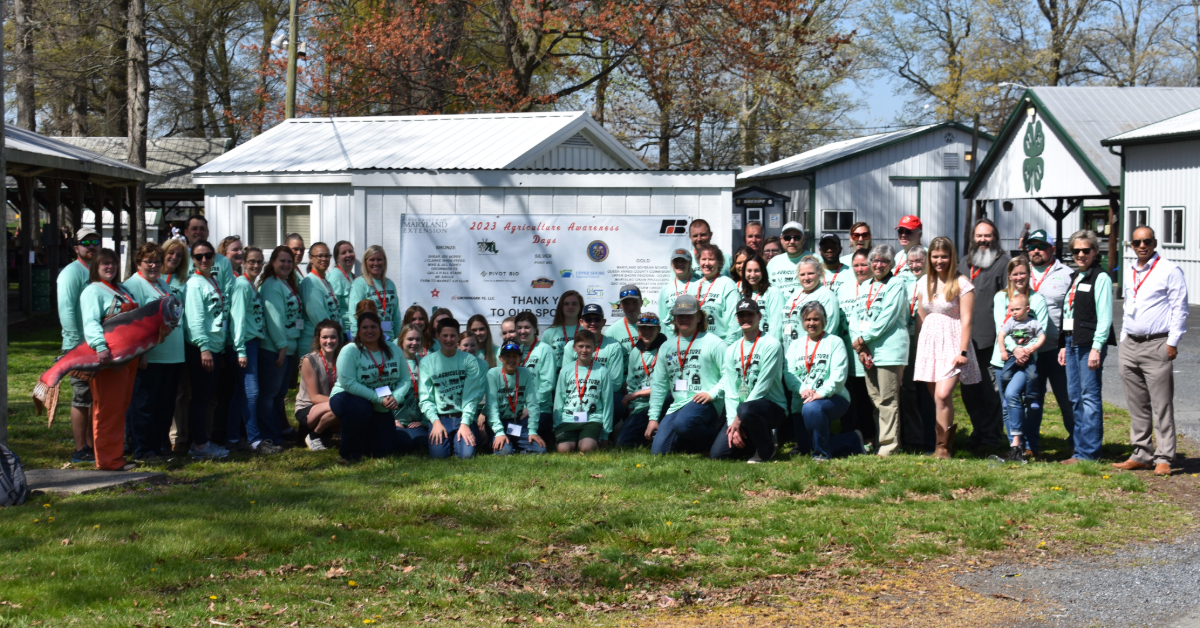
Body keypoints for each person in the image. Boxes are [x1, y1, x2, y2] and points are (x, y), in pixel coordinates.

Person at [1115, 226, 1188, 476]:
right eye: (1137, 242)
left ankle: (1164, 456)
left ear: (1154, 242)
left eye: (1146, 241)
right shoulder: (1129, 271)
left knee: (1161, 404)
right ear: (1131, 245)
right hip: (1130, 343)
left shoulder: (1169, 270)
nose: (1142, 246)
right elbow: (1128, 305)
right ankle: (1141, 453)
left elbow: (1179, 307)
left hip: (1157, 343)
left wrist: (1172, 342)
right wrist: (1124, 338)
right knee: (1136, 404)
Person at [915, 237, 981, 459]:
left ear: (952, 257)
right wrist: (918, 347)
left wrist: (963, 351)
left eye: (944, 256)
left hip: (953, 342)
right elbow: (921, 314)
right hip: (930, 344)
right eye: (935, 256)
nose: (939, 260)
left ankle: (944, 448)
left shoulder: (962, 283)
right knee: (936, 398)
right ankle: (939, 445)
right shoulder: (924, 282)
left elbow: (967, 319)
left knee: (943, 395)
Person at [79, 248, 141, 471]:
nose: (110, 267)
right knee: (108, 408)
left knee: (120, 406)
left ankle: (115, 455)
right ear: (95, 266)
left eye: (113, 263)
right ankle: (108, 461)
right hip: (110, 359)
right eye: (104, 263)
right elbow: (91, 322)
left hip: (129, 357)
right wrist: (100, 346)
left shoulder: (122, 289)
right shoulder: (92, 291)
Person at [123, 243, 184, 462]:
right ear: (138, 263)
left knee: (164, 405)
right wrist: (140, 353)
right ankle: (143, 449)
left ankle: (160, 446)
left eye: (157, 261)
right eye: (148, 261)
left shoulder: (162, 284)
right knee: (144, 404)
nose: (153, 265)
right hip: (150, 356)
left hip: (171, 355)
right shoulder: (133, 285)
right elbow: (132, 323)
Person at [1058, 229, 1114, 464]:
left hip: (1089, 344)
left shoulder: (1100, 278)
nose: (1080, 254)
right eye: (1076, 250)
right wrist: (1063, 344)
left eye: (1085, 250)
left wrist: (1097, 347)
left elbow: (1105, 317)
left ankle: (1089, 453)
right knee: (1075, 398)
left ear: (1095, 251)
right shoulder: (1076, 277)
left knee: (1089, 398)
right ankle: (1079, 451)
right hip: (1071, 342)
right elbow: (1068, 312)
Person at [647, 295, 726, 455]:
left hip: (706, 401)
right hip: (678, 404)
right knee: (658, 452)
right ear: (674, 318)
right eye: (680, 315)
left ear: (699, 317)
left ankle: (715, 436)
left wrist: (712, 394)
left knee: (683, 424)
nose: (684, 319)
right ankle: (689, 442)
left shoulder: (715, 343)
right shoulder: (666, 347)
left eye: (689, 315)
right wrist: (653, 418)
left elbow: (730, 376)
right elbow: (659, 385)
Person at [851, 245, 910, 456]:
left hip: (889, 350)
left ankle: (889, 446)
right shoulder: (864, 286)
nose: (878, 264)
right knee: (875, 399)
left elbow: (887, 317)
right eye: (875, 260)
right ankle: (881, 441)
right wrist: (859, 344)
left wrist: (862, 339)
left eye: (884, 261)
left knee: (888, 399)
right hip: (867, 351)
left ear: (891, 264)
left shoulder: (896, 284)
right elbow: (854, 317)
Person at [787, 301, 865, 460]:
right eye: (808, 319)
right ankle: (853, 439)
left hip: (833, 397)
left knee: (812, 408)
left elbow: (839, 374)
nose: (812, 323)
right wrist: (802, 389)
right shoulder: (795, 345)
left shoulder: (834, 342)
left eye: (816, 319)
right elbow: (789, 373)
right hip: (801, 401)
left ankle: (821, 455)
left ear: (824, 321)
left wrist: (820, 393)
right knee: (806, 447)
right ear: (802, 322)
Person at [989, 257, 1049, 460]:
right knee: (1007, 404)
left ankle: (1027, 445)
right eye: (1015, 274)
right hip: (1003, 359)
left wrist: (1025, 352)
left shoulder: (1037, 300)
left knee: (1016, 396)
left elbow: (1042, 330)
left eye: (1022, 273)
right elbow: (1000, 327)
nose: (1019, 277)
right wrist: (1014, 349)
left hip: (1027, 360)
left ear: (1029, 274)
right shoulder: (1001, 297)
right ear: (1009, 276)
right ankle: (1014, 448)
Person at [710, 299, 785, 462]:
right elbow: (731, 389)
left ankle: (766, 451)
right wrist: (732, 424)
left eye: (750, 314)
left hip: (770, 407)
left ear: (759, 316)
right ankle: (756, 440)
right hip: (742, 411)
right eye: (741, 315)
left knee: (746, 409)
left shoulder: (772, 345)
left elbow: (763, 387)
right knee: (718, 454)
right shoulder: (732, 350)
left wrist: (738, 419)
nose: (745, 318)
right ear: (737, 319)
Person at [958, 219, 1010, 449]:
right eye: (979, 236)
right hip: (965, 342)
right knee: (970, 392)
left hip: (990, 342)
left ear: (995, 237)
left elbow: (1010, 303)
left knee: (990, 393)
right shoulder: (964, 263)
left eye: (987, 236)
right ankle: (978, 432)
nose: (983, 240)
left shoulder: (1004, 264)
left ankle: (991, 438)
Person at [1024, 230, 1074, 455]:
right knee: (1032, 400)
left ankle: (1077, 443)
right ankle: (1030, 445)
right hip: (1028, 351)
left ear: (1052, 249)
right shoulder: (1020, 271)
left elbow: (1071, 311)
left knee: (1067, 399)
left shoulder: (1067, 274)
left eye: (1041, 246)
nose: (1036, 250)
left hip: (1056, 349)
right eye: (1032, 246)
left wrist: (1067, 342)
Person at [226, 241, 276, 454]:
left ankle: (233, 438)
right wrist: (240, 349)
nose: (256, 265)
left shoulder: (251, 285)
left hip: (253, 343)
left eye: (259, 262)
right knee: (251, 393)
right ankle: (254, 440)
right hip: (245, 344)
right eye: (252, 262)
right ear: (244, 263)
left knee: (241, 394)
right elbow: (237, 318)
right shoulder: (242, 285)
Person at [329, 311, 401, 462]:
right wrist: (378, 399)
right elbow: (349, 384)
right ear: (358, 330)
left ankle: (365, 446)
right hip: (347, 396)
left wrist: (396, 397)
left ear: (380, 328)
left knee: (385, 451)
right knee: (361, 408)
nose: (369, 331)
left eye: (373, 326)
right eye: (365, 327)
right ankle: (349, 453)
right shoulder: (350, 350)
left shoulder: (393, 348)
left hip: (379, 396)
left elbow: (405, 379)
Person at [184, 240, 231, 460]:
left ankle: (202, 440)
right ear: (192, 260)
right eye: (198, 256)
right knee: (201, 398)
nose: (204, 259)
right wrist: (204, 348)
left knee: (207, 397)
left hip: (215, 347)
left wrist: (219, 348)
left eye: (208, 255)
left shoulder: (212, 279)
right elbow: (195, 319)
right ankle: (200, 445)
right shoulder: (194, 284)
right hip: (202, 349)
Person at [59, 228, 101, 463]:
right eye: (85, 243)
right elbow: (66, 311)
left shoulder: (98, 271)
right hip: (79, 347)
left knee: (94, 398)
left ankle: (92, 445)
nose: (91, 245)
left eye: (95, 241)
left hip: (97, 345)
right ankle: (80, 449)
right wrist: (75, 348)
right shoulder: (71, 273)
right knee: (81, 398)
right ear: (76, 248)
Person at [421, 317, 486, 459]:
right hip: (440, 418)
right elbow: (425, 398)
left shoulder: (469, 360)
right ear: (437, 336)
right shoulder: (427, 362)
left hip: (463, 416)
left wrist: (465, 423)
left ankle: (467, 434)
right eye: (445, 335)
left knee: (466, 455)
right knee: (439, 457)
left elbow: (471, 397)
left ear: (458, 337)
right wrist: (435, 422)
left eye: (452, 336)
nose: (449, 339)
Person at [258, 246, 303, 445]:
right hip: (274, 349)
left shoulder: (287, 283)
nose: (286, 265)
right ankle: (269, 436)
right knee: (268, 395)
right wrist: (282, 346)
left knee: (279, 395)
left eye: (289, 261)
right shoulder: (271, 284)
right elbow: (274, 318)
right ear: (273, 262)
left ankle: (278, 432)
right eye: (282, 261)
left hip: (287, 348)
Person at [561, 304, 627, 435]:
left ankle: (603, 431)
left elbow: (615, 383)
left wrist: (592, 393)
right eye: (588, 319)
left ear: (603, 322)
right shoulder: (570, 346)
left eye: (597, 319)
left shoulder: (614, 346)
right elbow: (566, 378)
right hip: (577, 392)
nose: (592, 323)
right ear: (581, 322)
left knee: (617, 400)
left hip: (603, 392)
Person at [996, 293, 1046, 463]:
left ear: (1027, 309)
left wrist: (1031, 349)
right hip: (1011, 357)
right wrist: (1007, 350)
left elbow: (1042, 335)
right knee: (1005, 378)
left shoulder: (1034, 321)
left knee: (1031, 377)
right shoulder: (1010, 319)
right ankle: (1015, 448)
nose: (1014, 312)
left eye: (1017, 309)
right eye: (1012, 310)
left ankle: (1032, 397)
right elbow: (1001, 334)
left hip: (1029, 357)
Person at [552, 329, 614, 452]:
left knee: (587, 448)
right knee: (563, 450)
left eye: (588, 346)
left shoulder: (602, 371)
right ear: (574, 348)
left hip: (592, 419)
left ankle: (588, 439)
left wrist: (606, 434)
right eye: (580, 346)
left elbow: (607, 403)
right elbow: (559, 399)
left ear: (595, 348)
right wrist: (557, 425)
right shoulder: (566, 371)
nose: (584, 350)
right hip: (569, 419)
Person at [838, 247, 876, 441]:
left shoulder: (876, 287)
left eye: (864, 265)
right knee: (852, 398)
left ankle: (870, 437)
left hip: (868, 351)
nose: (860, 269)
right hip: (848, 352)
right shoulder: (844, 288)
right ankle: (851, 436)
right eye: (856, 265)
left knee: (868, 400)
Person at [898, 245, 934, 453]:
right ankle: (912, 437)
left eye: (919, 261)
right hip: (907, 337)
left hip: (928, 339)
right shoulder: (903, 282)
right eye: (911, 262)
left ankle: (930, 437)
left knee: (926, 389)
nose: (915, 265)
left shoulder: (932, 282)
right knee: (908, 389)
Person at [486, 342, 546, 455]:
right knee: (504, 452)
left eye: (514, 356)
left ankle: (513, 445)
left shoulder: (525, 373)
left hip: (516, 422)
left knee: (540, 450)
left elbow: (532, 404)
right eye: (507, 356)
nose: (511, 360)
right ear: (500, 358)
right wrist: (499, 432)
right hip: (499, 422)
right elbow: (491, 406)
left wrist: (532, 431)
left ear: (520, 358)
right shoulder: (493, 374)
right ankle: (495, 442)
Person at [617, 312, 666, 447]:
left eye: (651, 328)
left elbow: (666, 387)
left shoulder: (667, 349)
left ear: (659, 330)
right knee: (621, 443)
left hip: (663, 403)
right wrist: (631, 409)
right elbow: (631, 384)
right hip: (642, 407)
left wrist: (637, 394)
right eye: (643, 328)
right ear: (638, 330)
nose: (646, 332)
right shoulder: (635, 352)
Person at [779, 256, 841, 358]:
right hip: (789, 351)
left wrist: (815, 352)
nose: (806, 278)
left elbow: (830, 327)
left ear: (819, 273)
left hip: (811, 354)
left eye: (810, 273)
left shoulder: (826, 296)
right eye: (802, 274)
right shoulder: (796, 293)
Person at [162, 238, 191, 453]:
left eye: (179, 255)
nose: (174, 258)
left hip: (179, 343)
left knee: (180, 394)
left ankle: (178, 437)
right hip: (156, 345)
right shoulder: (152, 277)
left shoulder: (184, 281)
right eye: (170, 253)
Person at [296, 320, 343, 451]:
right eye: (324, 337)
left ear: (339, 338)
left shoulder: (342, 359)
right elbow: (315, 397)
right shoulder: (309, 360)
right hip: (308, 408)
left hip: (331, 405)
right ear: (318, 339)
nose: (329, 341)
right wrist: (343, 401)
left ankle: (324, 434)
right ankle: (314, 435)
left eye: (333, 337)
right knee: (344, 406)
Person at [513, 311, 558, 449]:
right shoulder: (516, 350)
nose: (523, 331)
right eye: (519, 328)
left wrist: (530, 407)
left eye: (527, 327)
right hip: (518, 409)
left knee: (518, 432)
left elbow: (547, 384)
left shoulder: (545, 350)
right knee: (511, 431)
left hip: (540, 409)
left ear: (535, 329)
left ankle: (528, 444)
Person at [348, 245, 402, 339]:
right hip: (369, 338)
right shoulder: (359, 284)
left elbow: (396, 315)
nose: (376, 263)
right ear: (365, 262)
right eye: (372, 260)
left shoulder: (390, 284)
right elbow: (354, 315)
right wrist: (357, 338)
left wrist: (398, 339)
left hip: (390, 339)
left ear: (384, 261)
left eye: (379, 259)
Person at [301, 243, 341, 360]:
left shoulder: (325, 281)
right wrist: (335, 336)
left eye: (327, 256)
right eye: (319, 256)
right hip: (313, 345)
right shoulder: (310, 282)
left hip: (327, 342)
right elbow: (318, 316)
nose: (324, 259)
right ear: (311, 258)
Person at [392, 324, 428, 453]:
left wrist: (424, 421)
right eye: (410, 339)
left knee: (421, 444)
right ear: (401, 341)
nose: (414, 343)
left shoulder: (425, 363)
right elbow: (381, 390)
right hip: (395, 420)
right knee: (404, 445)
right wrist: (390, 420)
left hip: (415, 422)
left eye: (418, 339)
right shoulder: (392, 362)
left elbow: (432, 394)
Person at [694, 244, 740, 344]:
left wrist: (727, 346)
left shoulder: (727, 284)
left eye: (711, 259)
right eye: (703, 259)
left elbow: (734, 320)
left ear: (719, 262)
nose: (707, 263)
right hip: (696, 344)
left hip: (720, 344)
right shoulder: (693, 286)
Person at [458, 332, 494, 448]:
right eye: (465, 345)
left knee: (476, 442)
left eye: (473, 345)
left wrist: (481, 413)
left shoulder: (482, 364)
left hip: (474, 409)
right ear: (458, 346)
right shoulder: (454, 362)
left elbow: (479, 392)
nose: (469, 348)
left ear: (477, 346)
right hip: (456, 409)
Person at [738, 254, 783, 341]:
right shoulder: (742, 293)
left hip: (766, 344)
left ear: (763, 272)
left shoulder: (773, 292)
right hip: (747, 343)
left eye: (757, 271)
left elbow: (776, 326)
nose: (752, 275)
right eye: (749, 271)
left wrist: (770, 345)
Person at [657, 249, 695, 335]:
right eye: (676, 261)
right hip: (671, 336)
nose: (680, 263)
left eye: (683, 261)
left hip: (692, 335)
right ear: (672, 264)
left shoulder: (698, 284)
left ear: (689, 263)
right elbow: (663, 318)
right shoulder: (665, 289)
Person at [766, 221, 807, 298]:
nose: (792, 241)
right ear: (781, 240)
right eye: (787, 238)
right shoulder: (773, 262)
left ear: (803, 239)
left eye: (797, 238)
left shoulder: (815, 260)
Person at [543, 290, 584, 366]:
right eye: (566, 304)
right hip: (556, 373)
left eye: (574, 304)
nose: (570, 307)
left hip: (580, 373)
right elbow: (543, 360)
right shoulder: (549, 332)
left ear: (580, 307)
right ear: (561, 307)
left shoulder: (586, 331)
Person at [604, 284, 645, 355]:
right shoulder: (611, 333)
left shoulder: (655, 326)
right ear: (621, 305)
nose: (631, 307)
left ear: (641, 302)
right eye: (626, 303)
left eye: (635, 302)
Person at [328, 241, 357, 336]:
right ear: (337, 258)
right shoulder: (336, 276)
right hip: (344, 331)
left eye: (350, 251)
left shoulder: (351, 275)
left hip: (354, 328)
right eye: (343, 253)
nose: (348, 255)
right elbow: (333, 308)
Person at [892, 216, 923, 282]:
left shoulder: (927, 255)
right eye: (900, 231)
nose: (903, 235)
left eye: (908, 231)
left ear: (920, 235)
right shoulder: (897, 256)